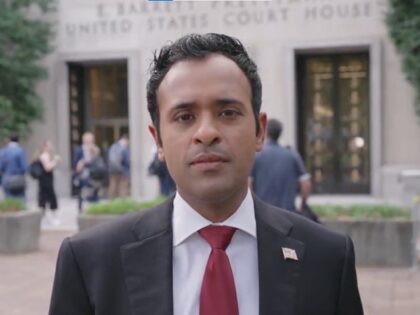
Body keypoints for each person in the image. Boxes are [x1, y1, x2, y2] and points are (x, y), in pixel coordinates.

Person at [49, 33, 363, 315]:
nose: (207, 132)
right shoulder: (90, 263)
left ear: (259, 131)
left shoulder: (328, 259)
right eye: (184, 116)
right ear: (158, 139)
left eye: (228, 113)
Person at [250, 118, 312, 211]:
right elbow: (305, 183)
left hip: (263, 213)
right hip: (288, 212)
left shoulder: (256, 156)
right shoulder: (292, 155)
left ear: (265, 131)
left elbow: (248, 184)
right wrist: (303, 204)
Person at [72, 132, 104, 209]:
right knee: (84, 194)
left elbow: (99, 162)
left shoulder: (96, 149)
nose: (90, 142)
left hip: (94, 176)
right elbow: (75, 164)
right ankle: (83, 208)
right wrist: (83, 162)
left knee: (94, 193)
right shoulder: (79, 150)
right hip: (83, 176)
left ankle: (94, 207)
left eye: (91, 140)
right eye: (88, 140)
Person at [37, 141, 60, 226]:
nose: (51, 147)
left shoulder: (44, 155)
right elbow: (48, 168)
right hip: (46, 181)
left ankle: (44, 218)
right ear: (45, 147)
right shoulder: (44, 156)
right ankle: (49, 218)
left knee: (44, 198)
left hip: (45, 181)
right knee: (49, 198)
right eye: (49, 146)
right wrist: (55, 161)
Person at [0, 134, 28, 199]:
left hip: (6, 179)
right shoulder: (20, 151)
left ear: (9, 140)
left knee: (9, 202)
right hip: (18, 179)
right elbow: (24, 167)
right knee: (20, 202)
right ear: (18, 140)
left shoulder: (3, 151)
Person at [107, 134, 130, 199]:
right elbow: (127, 160)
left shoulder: (113, 147)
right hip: (123, 171)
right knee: (123, 187)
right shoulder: (124, 148)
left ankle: (111, 200)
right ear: (126, 140)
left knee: (113, 186)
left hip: (113, 170)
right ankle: (122, 203)